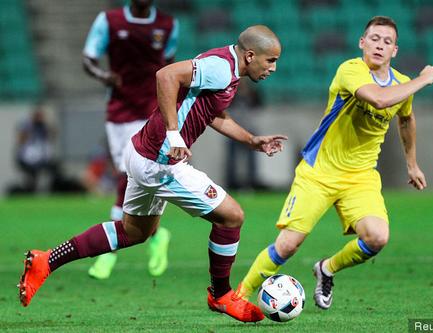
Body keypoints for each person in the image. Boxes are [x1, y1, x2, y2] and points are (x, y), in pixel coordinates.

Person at [19, 25, 286, 323]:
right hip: (160, 163)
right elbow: (165, 75)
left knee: (134, 232)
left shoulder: (225, 67)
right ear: (250, 55)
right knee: (232, 216)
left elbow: (214, 114)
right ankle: (221, 295)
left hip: (140, 153)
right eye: (270, 60)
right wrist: (174, 134)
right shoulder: (220, 68)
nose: (273, 68)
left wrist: (251, 140)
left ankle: (47, 260)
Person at [237, 16, 433, 310]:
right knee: (287, 245)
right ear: (362, 42)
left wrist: (412, 164)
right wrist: (424, 79)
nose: (379, 45)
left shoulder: (402, 85)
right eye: (374, 38)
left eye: (387, 41)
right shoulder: (350, 70)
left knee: (377, 237)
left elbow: (406, 118)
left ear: (395, 51)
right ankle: (239, 295)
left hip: (360, 176)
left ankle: (327, 269)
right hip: (319, 171)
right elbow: (380, 100)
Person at [82, 0, 179, 279]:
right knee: (130, 178)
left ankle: (108, 253)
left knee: (127, 177)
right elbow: (88, 58)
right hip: (119, 112)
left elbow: (169, 67)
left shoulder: (168, 25)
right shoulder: (108, 21)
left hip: (151, 110)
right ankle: (157, 235)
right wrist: (103, 75)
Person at [14, 107, 58, 193]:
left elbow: (53, 136)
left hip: (42, 157)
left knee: (54, 170)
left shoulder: (44, 127)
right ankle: (30, 192)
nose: (39, 118)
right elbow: (20, 141)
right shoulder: (27, 126)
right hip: (28, 158)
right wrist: (29, 130)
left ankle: (51, 190)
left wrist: (47, 124)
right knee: (32, 177)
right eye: (37, 116)